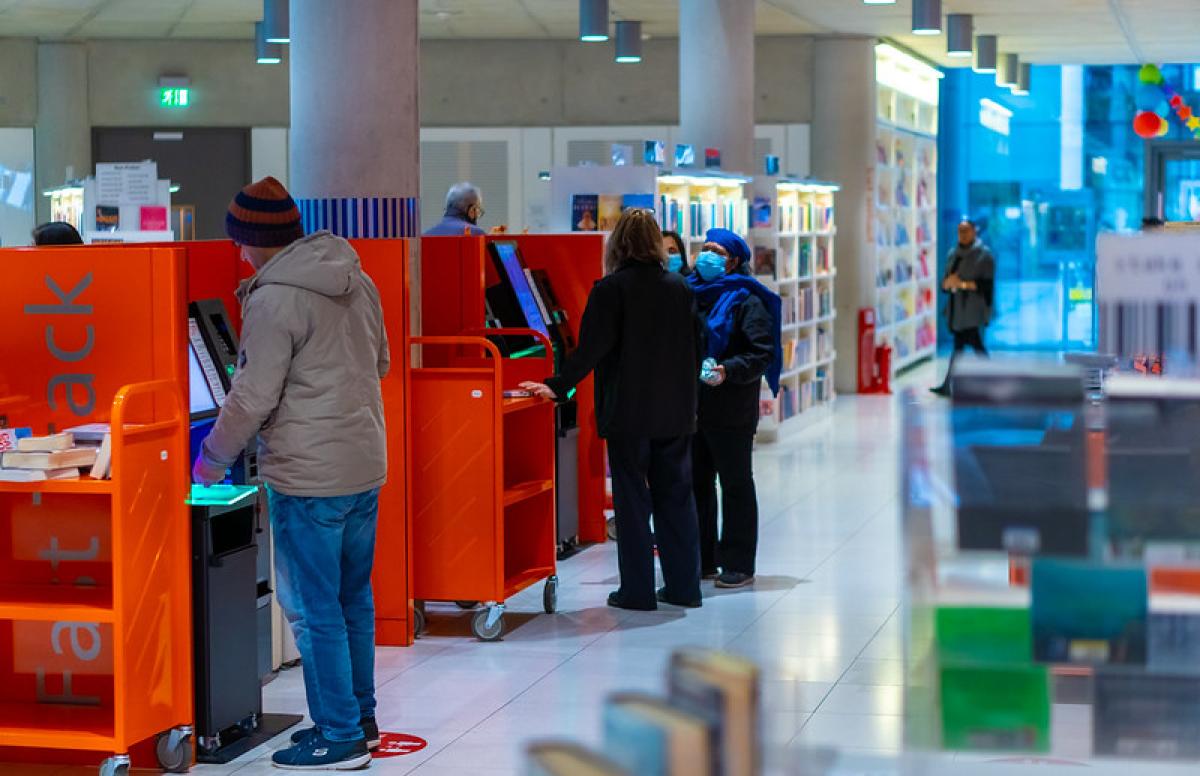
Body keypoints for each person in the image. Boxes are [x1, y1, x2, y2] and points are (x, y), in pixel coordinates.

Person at [192, 176, 389, 771]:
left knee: (313, 609)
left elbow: (251, 397)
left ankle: (339, 737)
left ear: (253, 240)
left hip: (309, 475)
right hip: (363, 463)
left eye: (239, 242)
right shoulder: (358, 278)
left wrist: (211, 461)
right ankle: (361, 719)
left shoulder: (274, 297)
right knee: (352, 598)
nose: (237, 252)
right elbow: (378, 361)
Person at [521, 209, 703, 611]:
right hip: (675, 412)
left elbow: (590, 350)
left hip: (628, 414)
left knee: (633, 501)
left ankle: (637, 591)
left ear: (617, 243)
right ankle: (684, 587)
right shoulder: (680, 288)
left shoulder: (610, 289)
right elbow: (697, 347)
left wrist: (556, 387)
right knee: (677, 499)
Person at [690, 228, 782, 589]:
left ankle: (739, 563)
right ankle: (704, 558)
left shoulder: (748, 299)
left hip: (730, 408)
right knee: (698, 483)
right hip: (693, 407)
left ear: (734, 261)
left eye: (717, 252)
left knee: (735, 484)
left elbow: (762, 352)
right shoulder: (689, 292)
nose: (707, 256)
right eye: (705, 249)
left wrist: (728, 370)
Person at [931, 219, 995, 397]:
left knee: (966, 346)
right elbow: (945, 283)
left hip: (973, 310)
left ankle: (949, 384)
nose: (963, 235)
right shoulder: (953, 254)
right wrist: (948, 284)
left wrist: (963, 284)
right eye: (960, 231)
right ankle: (948, 385)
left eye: (966, 231)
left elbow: (986, 286)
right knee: (970, 347)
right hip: (957, 309)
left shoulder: (984, 255)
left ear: (975, 232)